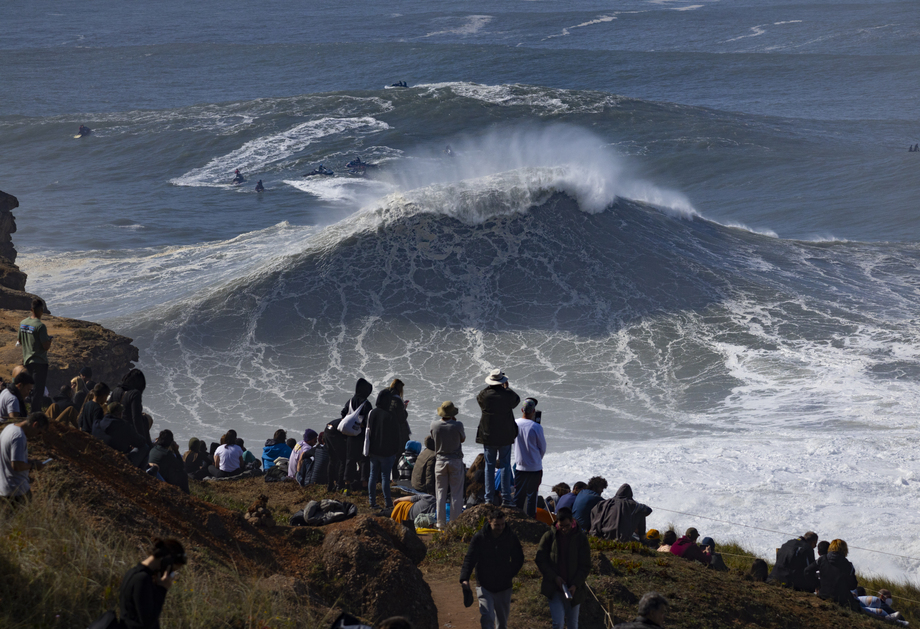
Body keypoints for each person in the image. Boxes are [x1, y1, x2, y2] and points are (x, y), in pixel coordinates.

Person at [459, 509, 524, 629]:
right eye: (497, 525)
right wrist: (464, 578)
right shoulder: (480, 537)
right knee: (487, 618)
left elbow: (519, 558)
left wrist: (509, 573)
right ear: (489, 522)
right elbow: (470, 558)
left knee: (502, 623)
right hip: (484, 584)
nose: (500, 527)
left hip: (504, 586)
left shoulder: (510, 536)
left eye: (503, 524)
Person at [536, 506, 591, 629]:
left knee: (572, 624)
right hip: (554, 587)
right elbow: (540, 560)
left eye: (567, 526)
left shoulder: (581, 538)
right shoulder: (549, 536)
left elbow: (585, 565)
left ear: (572, 521)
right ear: (557, 523)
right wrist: (554, 577)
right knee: (558, 623)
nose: (564, 529)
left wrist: (575, 584)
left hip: (574, 590)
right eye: (561, 526)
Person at [119, 537, 187, 629]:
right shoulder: (142, 579)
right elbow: (148, 621)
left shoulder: (134, 573)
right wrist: (162, 589)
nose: (171, 574)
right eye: (172, 570)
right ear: (167, 560)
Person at [476, 369, 520, 507]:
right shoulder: (507, 395)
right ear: (502, 381)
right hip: (505, 435)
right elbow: (516, 400)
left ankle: (488, 498)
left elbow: (479, 397)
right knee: (505, 465)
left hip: (488, 435)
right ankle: (506, 498)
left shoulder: (484, 395)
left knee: (489, 466)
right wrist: (506, 387)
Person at [364, 388, 403, 510]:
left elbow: (369, 430)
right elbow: (396, 435)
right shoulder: (391, 415)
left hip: (374, 450)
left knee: (372, 476)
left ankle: (372, 502)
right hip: (387, 452)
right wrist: (395, 450)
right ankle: (388, 503)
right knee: (385, 477)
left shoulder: (372, 413)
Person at [430, 401, 465, 529]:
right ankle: (455, 524)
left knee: (440, 493)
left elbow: (434, 438)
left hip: (440, 460)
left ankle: (440, 523)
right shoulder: (458, 425)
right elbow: (462, 439)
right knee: (456, 493)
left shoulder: (434, 425)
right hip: (455, 460)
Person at [0, 412, 48, 501]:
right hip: (16, 491)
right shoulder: (19, 436)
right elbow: (17, 466)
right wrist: (34, 466)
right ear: (35, 424)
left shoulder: (9, 428)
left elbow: (9, 457)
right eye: (39, 432)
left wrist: (29, 461)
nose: (37, 436)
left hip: (4, 489)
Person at [512, 399, 546, 517]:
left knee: (519, 495)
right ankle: (531, 519)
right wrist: (537, 460)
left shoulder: (515, 423)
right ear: (533, 411)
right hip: (534, 467)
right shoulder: (536, 427)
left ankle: (517, 517)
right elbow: (542, 448)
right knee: (532, 496)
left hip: (520, 466)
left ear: (522, 410)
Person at [804, 538, 860, 610]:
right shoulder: (848, 565)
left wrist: (817, 585)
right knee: (858, 593)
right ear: (845, 550)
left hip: (823, 595)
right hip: (841, 600)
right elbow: (853, 585)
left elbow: (807, 571)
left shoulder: (822, 559)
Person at [18, 298, 52, 414]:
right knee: (38, 390)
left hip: (27, 361)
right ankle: (35, 414)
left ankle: (24, 411)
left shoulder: (23, 323)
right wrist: (49, 341)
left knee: (28, 389)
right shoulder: (40, 326)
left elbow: (20, 340)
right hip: (39, 362)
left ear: (31, 309)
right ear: (41, 310)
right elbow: (46, 346)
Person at [92, 402, 150, 468]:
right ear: (120, 414)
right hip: (117, 462)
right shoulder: (124, 427)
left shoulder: (96, 424)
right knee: (145, 447)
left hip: (99, 457)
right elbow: (141, 442)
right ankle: (140, 474)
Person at [342, 378, 374, 492]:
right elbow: (370, 420)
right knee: (364, 460)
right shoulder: (366, 403)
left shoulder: (350, 401)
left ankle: (347, 487)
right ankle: (364, 486)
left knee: (350, 460)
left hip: (350, 436)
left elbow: (343, 413)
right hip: (361, 436)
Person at [110, 369, 149, 445]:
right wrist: (142, 439)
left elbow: (108, 410)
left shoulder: (116, 390)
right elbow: (136, 419)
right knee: (145, 419)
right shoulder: (135, 394)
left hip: (114, 428)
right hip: (127, 430)